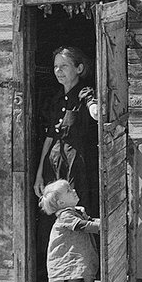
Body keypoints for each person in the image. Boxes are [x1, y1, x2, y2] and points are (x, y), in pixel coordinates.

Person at [34, 46, 100, 217]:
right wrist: (39, 174)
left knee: (77, 213)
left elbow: (93, 107)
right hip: (54, 167)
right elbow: (50, 138)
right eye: (56, 66)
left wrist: (95, 109)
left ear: (79, 68)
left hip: (78, 168)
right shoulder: (55, 100)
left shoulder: (85, 93)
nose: (58, 71)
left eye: (64, 66)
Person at [37, 180, 100, 282]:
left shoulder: (73, 212)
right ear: (61, 202)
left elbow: (89, 220)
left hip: (62, 257)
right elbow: (83, 226)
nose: (74, 190)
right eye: (69, 190)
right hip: (59, 259)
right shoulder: (66, 216)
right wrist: (102, 226)